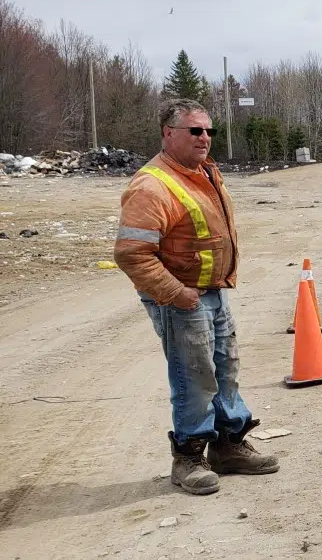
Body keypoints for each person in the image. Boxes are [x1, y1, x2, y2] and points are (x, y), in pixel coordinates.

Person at [114, 98, 278, 495]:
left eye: (209, 130)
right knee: (194, 377)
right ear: (168, 133)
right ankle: (188, 457)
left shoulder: (203, 172)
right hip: (181, 300)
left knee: (225, 370)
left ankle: (229, 446)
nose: (205, 137)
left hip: (213, 293)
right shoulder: (152, 185)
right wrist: (178, 294)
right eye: (195, 130)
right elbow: (131, 254)